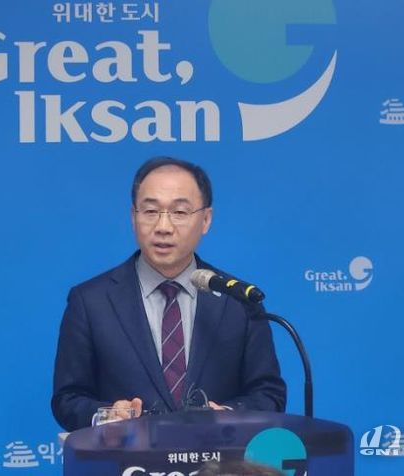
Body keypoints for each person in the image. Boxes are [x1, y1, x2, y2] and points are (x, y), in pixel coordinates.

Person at [51, 157, 286, 431]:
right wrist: (107, 415)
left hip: (218, 456)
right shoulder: (90, 301)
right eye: (151, 211)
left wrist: (228, 415)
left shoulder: (238, 300)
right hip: (126, 455)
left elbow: (268, 393)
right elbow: (68, 398)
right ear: (133, 217)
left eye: (179, 212)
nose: (163, 227)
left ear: (206, 219)